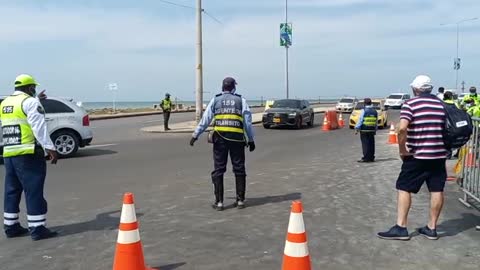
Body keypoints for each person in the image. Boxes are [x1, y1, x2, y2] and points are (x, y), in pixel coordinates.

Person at [377, 75, 448, 241]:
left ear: (415, 89)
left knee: (404, 187)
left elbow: (402, 129)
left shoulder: (410, 104)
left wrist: (402, 150)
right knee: (436, 189)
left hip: (417, 155)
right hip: (438, 155)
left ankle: (401, 227)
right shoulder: (440, 105)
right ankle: (432, 228)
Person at [1, 74, 59, 241]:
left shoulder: (5, 103)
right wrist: (50, 148)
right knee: (33, 190)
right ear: (30, 88)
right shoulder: (30, 102)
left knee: (12, 190)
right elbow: (38, 127)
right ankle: (37, 228)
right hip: (28, 153)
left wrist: (36, 100)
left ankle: (11, 227)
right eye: (33, 88)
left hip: (9, 153)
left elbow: (19, 117)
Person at [189, 77, 255, 211]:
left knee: (219, 169)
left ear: (222, 87)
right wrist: (251, 139)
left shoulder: (216, 99)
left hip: (220, 139)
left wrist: (195, 135)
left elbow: (205, 119)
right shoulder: (241, 100)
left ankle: (219, 202)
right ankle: (240, 200)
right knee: (239, 169)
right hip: (237, 140)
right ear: (233, 87)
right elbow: (247, 121)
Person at [354, 98, 378, 163]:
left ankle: (366, 158)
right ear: (371, 103)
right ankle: (371, 157)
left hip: (364, 130)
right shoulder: (375, 111)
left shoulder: (364, 110)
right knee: (371, 144)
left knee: (365, 144)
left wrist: (357, 128)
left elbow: (360, 120)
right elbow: (376, 122)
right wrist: (375, 129)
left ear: (364, 103)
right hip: (372, 130)